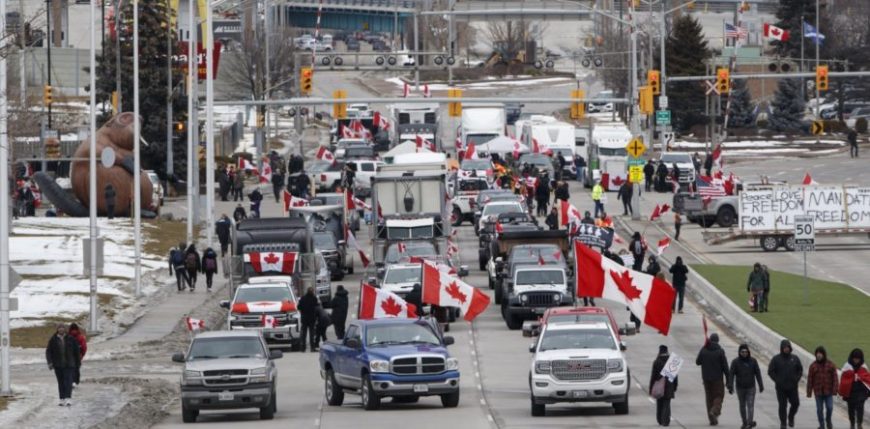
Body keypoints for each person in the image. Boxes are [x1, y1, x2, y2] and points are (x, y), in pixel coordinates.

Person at [768, 339, 804, 429]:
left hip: (792, 387)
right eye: (784, 348)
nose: (786, 349)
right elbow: (770, 371)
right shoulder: (776, 359)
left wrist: (796, 379)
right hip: (781, 388)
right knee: (782, 406)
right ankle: (783, 423)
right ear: (781, 348)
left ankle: (791, 417)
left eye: (788, 347)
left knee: (796, 403)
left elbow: (800, 370)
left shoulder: (795, 358)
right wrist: (777, 380)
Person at [696, 332, 729, 426]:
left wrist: (703, 352)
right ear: (717, 341)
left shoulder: (704, 349)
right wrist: (728, 379)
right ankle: (714, 411)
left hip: (706, 379)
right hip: (717, 379)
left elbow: (697, 362)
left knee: (709, 399)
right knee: (719, 396)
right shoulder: (720, 351)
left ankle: (712, 420)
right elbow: (725, 367)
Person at [728, 344, 764, 429]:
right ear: (739, 352)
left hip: (751, 387)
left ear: (748, 352)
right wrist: (730, 386)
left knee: (750, 405)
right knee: (742, 405)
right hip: (740, 387)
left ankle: (749, 422)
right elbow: (731, 374)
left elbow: (758, 373)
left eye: (746, 352)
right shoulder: (735, 362)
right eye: (742, 352)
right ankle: (744, 422)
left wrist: (760, 385)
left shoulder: (753, 361)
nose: (744, 353)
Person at [45, 323, 81, 406]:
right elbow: (48, 352)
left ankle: (68, 398)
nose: (61, 329)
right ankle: (62, 399)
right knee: (61, 382)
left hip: (69, 365)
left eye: (62, 328)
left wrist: (77, 363)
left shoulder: (71, 339)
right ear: (57, 329)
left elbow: (76, 352)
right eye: (59, 328)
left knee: (68, 382)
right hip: (58, 365)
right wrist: (50, 362)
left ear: (65, 329)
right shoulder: (53, 339)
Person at [807, 346, 838, 429]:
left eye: (820, 353)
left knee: (830, 407)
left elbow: (835, 378)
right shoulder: (813, 366)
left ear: (824, 354)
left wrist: (835, 390)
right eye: (817, 353)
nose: (819, 355)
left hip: (828, 391)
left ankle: (828, 420)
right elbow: (810, 379)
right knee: (819, 410)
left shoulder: (831, 364)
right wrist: (809, 392)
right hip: (818, 392)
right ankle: (821, 425)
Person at [840, 348, 870, 429]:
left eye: (858, 359)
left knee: (860, 408)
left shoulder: (863, 367)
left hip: (861, 392)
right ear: (852, 358)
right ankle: (852, 423)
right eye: (855, 358)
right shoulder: (847, 366)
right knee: (851, 409)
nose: (856, 360)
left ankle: (859, 424)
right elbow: (843, 379)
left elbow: (867, 380)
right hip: (850, 392)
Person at [650, 345, 678, 426]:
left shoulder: (656, 361)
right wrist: (675, 386)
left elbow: (653, 376)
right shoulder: (672, 361)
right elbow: (675, 377)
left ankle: (659, 419)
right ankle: (665, 420)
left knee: (659, 403)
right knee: (667, 404)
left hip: (659, 386)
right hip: (669, 386)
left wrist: (651, 388)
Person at [297, 287, 320, 352]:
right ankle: (312, 348)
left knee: (303, 334)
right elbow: (316, 307)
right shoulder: (314, 298)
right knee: (312, 334)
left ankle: (303, 348)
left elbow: (298, 307)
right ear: (312, 292)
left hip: (304, 318)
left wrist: (303, 311)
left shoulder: (303, 298)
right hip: (312, 318)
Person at [68, 323, 87, 388]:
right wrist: (82, 355)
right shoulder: (81, 337)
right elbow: (84, 348)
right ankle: (76, 382)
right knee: (76, 370)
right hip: (78, 357)